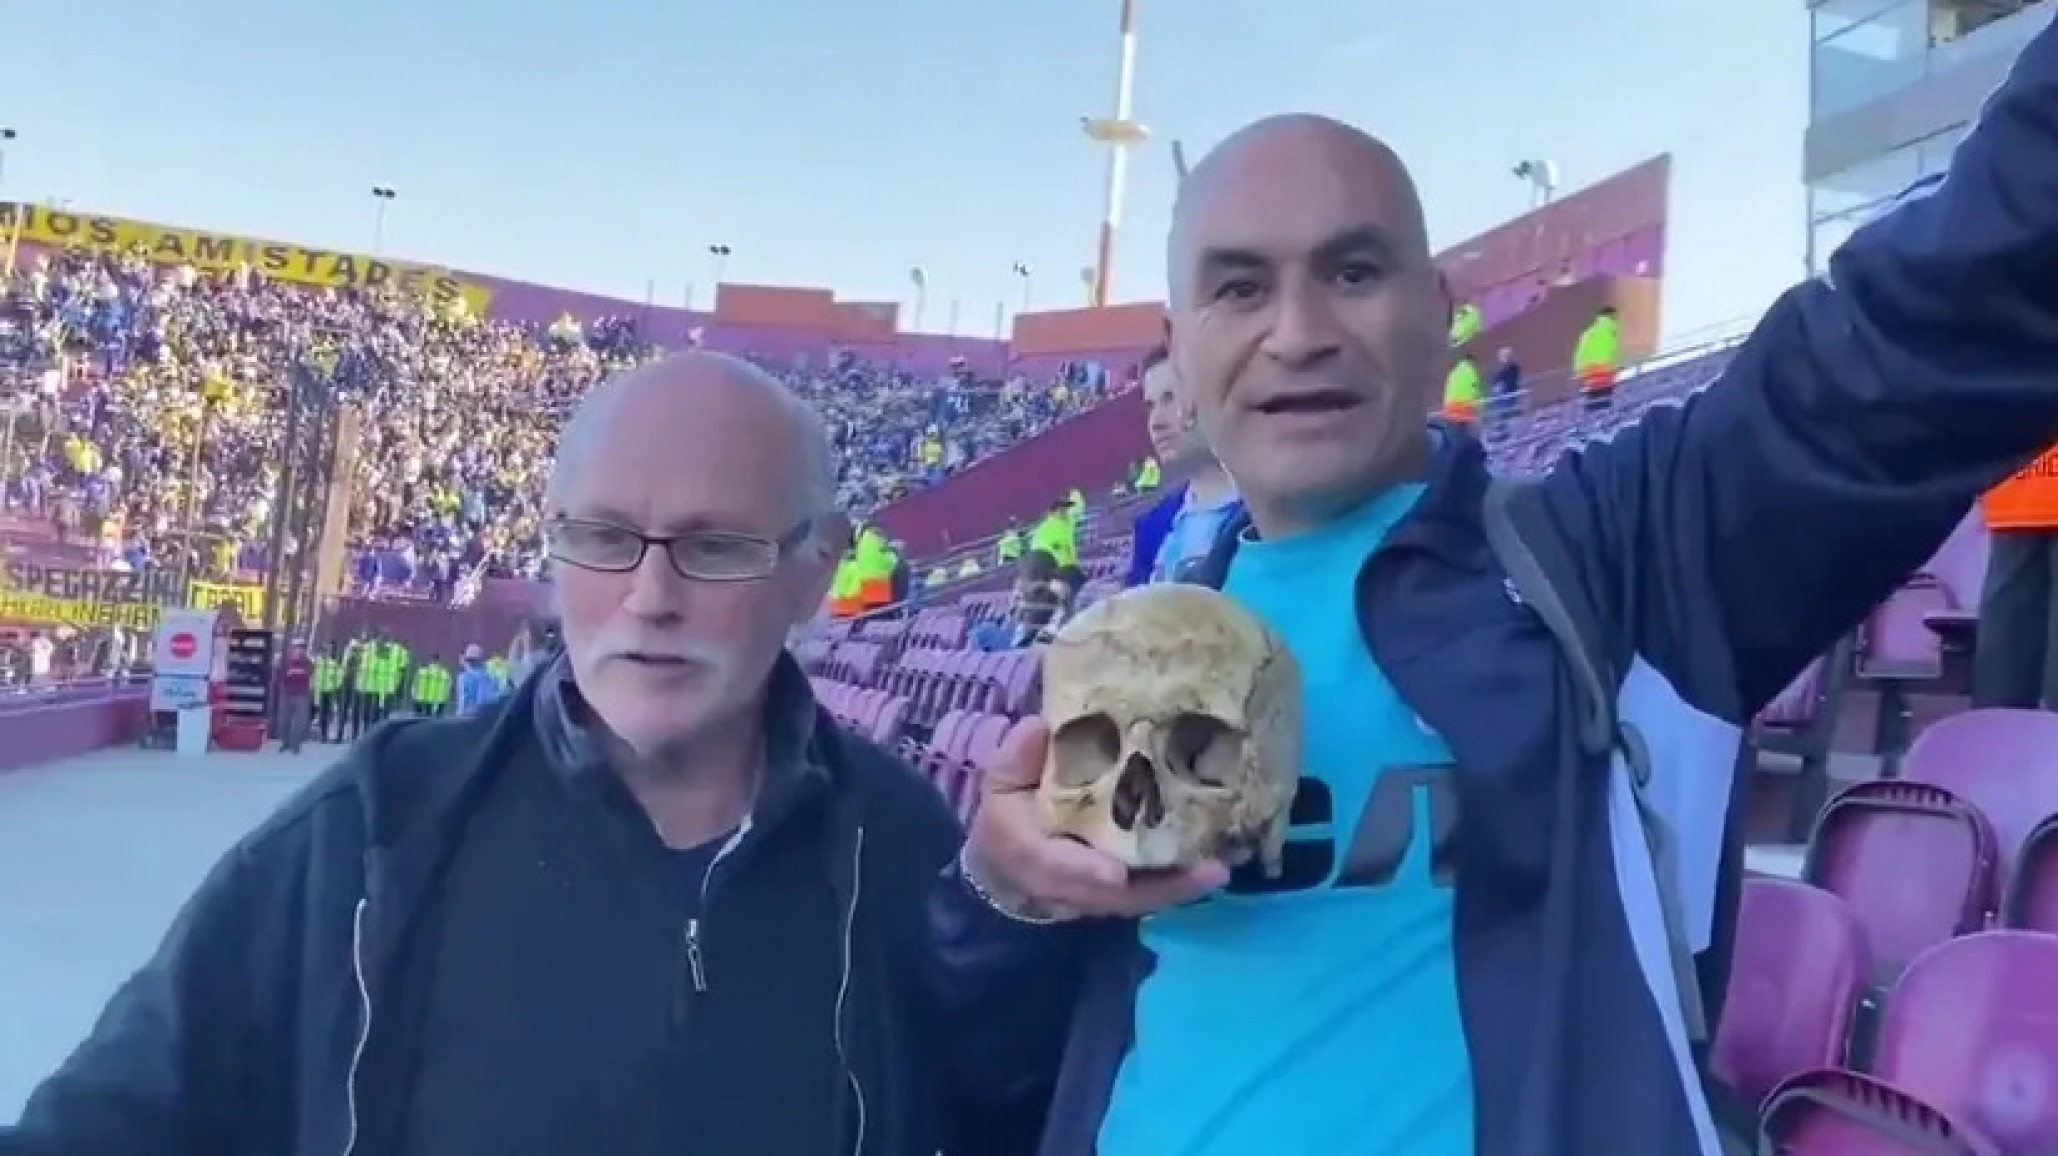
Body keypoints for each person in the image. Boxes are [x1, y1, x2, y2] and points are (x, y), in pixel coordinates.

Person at [932, 43, 2058, 1156]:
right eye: (1240, 286)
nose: (1299, 330)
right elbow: (974, 1071)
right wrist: (998, 891)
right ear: (1180, 347)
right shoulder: (1136, 657)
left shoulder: (1615, 558)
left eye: (1355, 272)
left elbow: (1940, 318)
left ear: (1441, 313)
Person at [7, 351, 1026, 1155]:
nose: (651, 595)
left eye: (716, 548)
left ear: (818, 569)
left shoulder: (909, 848)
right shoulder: (372, 827)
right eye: (605, 537)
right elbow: (111, 1122)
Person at [1125, 347, 1240, 587]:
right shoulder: (1152, 527)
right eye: (1150, 406)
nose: (1156, 422)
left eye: (1170, 399)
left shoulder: (1275, 513)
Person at [274, 638, 315, 753]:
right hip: (287, 693)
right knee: (283, 720)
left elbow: (310, 673)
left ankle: (295, 745)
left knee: (300, 721)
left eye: (302, 648)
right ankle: (285, 742)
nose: (299, 651)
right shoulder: (285, 662)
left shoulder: (308, 663)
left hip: (302, 695)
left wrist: (299, 673)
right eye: (297, 648)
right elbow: (280, 676)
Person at [452, 642, 502, 714]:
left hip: (470, 715)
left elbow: (463, 701)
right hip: (486, 714)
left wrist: (459, 715)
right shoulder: (489, 677)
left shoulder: (463, 678)